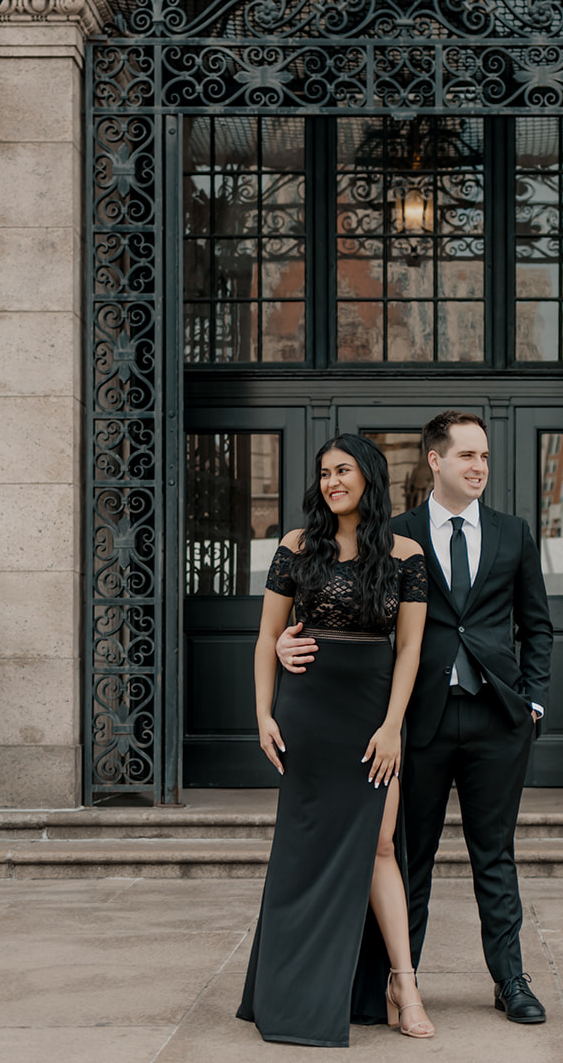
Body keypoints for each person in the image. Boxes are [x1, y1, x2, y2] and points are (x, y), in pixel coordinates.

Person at [278, 411, 553, 1025]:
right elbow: (337, 608)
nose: (479, 467)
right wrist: (280, 645)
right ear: (435, 460)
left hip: (496, 720)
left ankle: (510, 980)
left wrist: (531, 703)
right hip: (412, 723)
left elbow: (537, 624)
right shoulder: (393, 534)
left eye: (484, 456)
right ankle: (404, 983)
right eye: (467, 456)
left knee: (495, 855)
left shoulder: (514, 533)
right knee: (407, 857)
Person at [237, 433, 433, 1046]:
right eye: (324, 473)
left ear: (368, 477)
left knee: (379, 843)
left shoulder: (406, 554)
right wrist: (264, 716)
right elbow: (268, 636)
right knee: (302, 850)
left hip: (374, 717)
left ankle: (404, 982)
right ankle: (291, 992)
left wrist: (393, 725)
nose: (332, 482)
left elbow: (409, 649)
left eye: (343, 470)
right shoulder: (296, 547)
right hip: (308, 715)